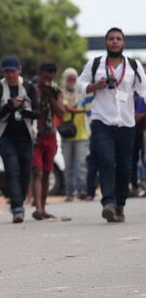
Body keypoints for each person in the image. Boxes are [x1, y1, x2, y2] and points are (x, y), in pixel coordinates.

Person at [78, 28, 146, 223]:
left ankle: (120, 205)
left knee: (124, 167)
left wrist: (141, 110)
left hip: (126, 123)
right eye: (111, 38)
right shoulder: (95, 64)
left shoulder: (133, 65)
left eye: (118, 39)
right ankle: (108, 202)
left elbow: (144, 90)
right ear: (105, 42)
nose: (114, 41)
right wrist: (94, 86)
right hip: (102, 121)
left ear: (123, 43)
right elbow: (80, 85)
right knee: (106, 161)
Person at [0, 56, 39, 223]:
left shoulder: (28, 87)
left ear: (19, 70)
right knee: (12, 171)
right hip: (5, 137)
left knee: (25, 172)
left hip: (25, 136)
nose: (10, 75)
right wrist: (9, 106)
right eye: (7, 72)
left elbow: (37, 112)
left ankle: (19, 200)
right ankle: (17, 208)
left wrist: (24, 110)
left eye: (13, 71)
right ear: (3, 72)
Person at [31, 63, 64, 220]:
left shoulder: (56, 90)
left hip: (50, 135)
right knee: (37, 171)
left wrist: (51, 97)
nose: (46, 81)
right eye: (44, 77)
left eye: (50, 78)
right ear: (39, 74)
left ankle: (43, 208)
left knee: (46, 172)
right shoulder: (31, 89)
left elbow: (61, 113)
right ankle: (38, 208)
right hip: (35, 136)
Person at [59, 68, 89, 203]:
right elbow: (67, 108)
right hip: (67, 134)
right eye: (69, 78)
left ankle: (82, 190)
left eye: (74, 78)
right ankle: (69, 193)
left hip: (81, 134)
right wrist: (82, 110)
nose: (72, 81)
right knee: (68, 166)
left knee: (81, 164)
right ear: (65, 79)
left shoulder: (81, 93)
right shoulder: (61, 93)